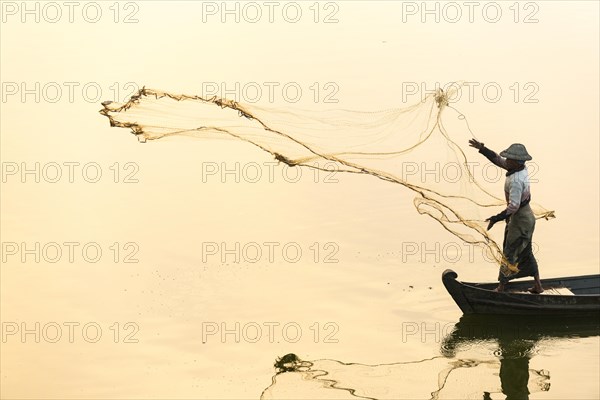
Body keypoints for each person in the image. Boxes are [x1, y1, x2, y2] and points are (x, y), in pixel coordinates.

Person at [468, 139, 543, 293]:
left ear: (517, 162)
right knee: (525, 251)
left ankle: (502, 287)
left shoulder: (516, 180)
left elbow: (514, 206)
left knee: (509, 252)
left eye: (509, 159)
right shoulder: (519, 169)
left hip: (521, 219)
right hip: (525, 217)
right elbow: (499, 160)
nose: (506, 161)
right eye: (507, 158)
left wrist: (496, 218)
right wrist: (482, 148)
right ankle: (538, 286)